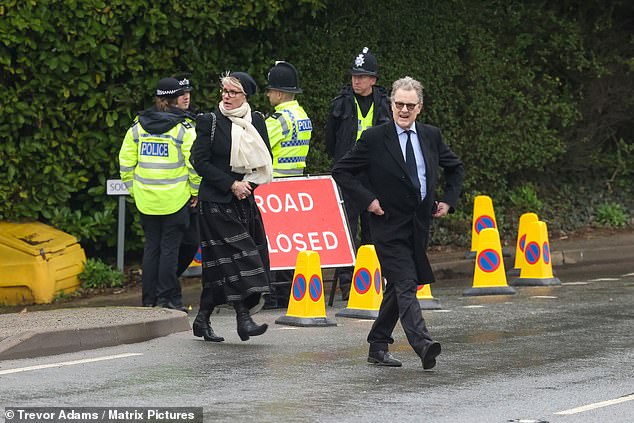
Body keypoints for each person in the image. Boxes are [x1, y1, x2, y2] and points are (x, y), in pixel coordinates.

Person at [332, 76, 464, 368]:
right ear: (391, 105)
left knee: (397, 287)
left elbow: (455, 168)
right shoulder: (374, 138)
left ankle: (377, 345)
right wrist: (368, 200)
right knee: (406, 282)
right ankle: (424, 344)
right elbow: (341, 170)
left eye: (410, 106)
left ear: (420, 107)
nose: (404, 110)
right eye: (399, 104)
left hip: (418, 224)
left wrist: (448, 201)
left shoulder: (431, 135)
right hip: (387, 224)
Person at [190, 71, 273, 342]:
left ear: (245, 96)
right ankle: (244, 319)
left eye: (232, 93)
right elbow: (199, 162)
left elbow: (264, 160)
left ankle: (202, 320)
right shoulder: (209, 121)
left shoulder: (257, 120)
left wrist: (248, 185)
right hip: (215, 202)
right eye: (224, 92)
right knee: (243, 258)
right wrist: (230, 184)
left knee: (221, 266)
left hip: (244, 200)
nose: (226, 97)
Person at [119, 77, 200, 312]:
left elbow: (125, 163)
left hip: (146, 200)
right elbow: (194, 165)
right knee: (169, 250)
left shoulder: (137, 126)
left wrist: (135, 191)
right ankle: (168, 300)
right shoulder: (183, 129)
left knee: (151, 248)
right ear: (174, 100)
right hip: (175, 200)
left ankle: (149, 300)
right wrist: (195, 192)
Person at [325, 47, 391, 300]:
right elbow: (330, 141)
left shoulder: (385, 103)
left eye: (362, 76)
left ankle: (373, 282)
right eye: (354, 75)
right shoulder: (340, 103)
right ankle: (347, 287)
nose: (356, 80)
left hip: (375, 177)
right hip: (348, 177)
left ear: (373, 79)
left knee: (374, 231)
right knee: (347, 232)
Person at [264, 61, 312, 308]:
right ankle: (289, 292)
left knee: (272, 243)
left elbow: (261, 148)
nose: (268, 94)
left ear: (280, 93)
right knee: (290, 243)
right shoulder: (303, 115)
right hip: (296, 185)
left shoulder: (279, 119)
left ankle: (273, 294)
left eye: (270, 90)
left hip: (276, 187)